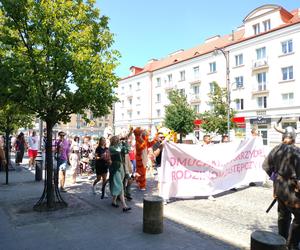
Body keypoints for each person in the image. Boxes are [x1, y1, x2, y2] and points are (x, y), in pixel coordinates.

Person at [262, 122, 300, 250]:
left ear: (283, 137)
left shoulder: (276, 149)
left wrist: (276, 180)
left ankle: (281, 240)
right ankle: (292, 245)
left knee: (283, 215)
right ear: (294, 138)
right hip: (292, 189)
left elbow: (266, 167)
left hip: (279, 188)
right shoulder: (297, 151)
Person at [108, 135, 131, 212]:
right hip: (115, 168)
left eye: (118, 139)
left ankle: (113, 201)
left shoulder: (119, 146)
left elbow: (127, 151)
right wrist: (122, 143)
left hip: (121, 167)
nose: (118, 140)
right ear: (112, 141)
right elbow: (119, 150)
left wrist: (126, 142)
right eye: (116, 139)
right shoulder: (111, 148)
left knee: (119, 184)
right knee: (120, 185)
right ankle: (124, 206)